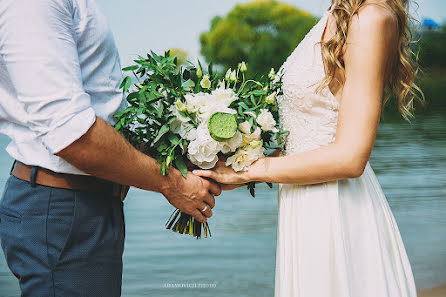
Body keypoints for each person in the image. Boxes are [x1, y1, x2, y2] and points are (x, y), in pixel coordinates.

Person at [193, 0, 422, 296]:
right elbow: (304, 136)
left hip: (335, 209)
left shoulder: (371, 18)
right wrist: (238, 164)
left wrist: (252, 171)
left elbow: (351, 158)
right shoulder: (336, 13)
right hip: (302, 202)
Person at [0, 0, 221, 296]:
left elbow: (100, 111)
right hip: (62, 208)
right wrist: (172, 183)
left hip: (83, 204)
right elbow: (70, 134)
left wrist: (184, 156)